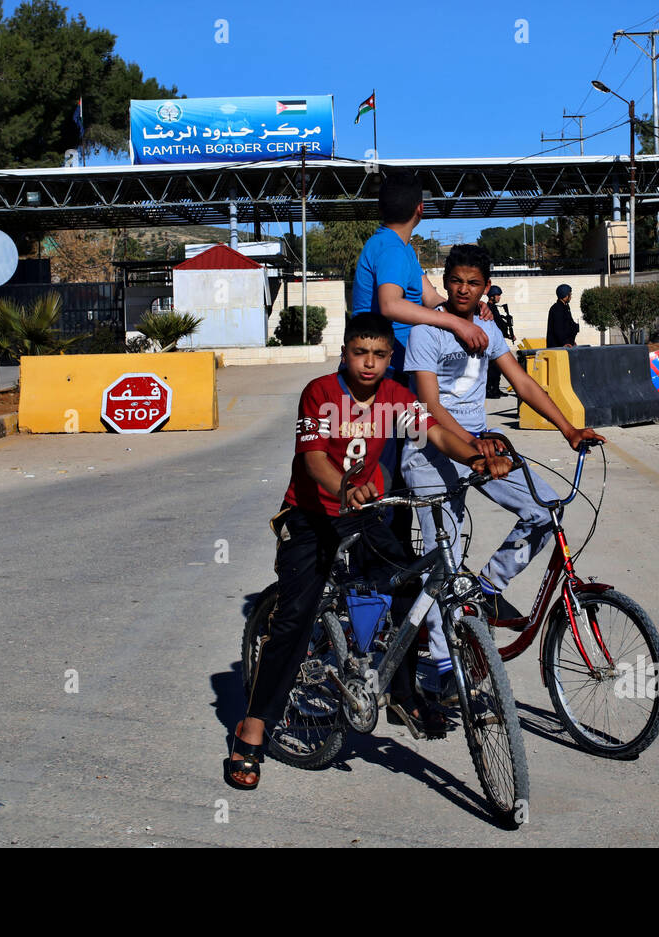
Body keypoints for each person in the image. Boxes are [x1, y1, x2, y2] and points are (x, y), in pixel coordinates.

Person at [226, 314, 510, 790]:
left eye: (379, 355)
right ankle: (252, 728)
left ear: (389, 358)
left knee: (408, 585)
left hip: (366, 508)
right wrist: (344, 487)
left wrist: (476, 456)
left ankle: (401, 695)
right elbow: (312, 457)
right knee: (295, 619)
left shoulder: (397, 396)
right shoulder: (320, 392)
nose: (369, 363)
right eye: (361, 353)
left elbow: (434, 432)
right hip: (313, 513)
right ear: (345, 353)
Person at [403, 246, 605, 699]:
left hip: (481, 440)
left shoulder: (488, 329)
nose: (462, 290)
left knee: (545, 507)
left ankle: (488, 586)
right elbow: (430, 407)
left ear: (486, 287)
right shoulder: (426, 332)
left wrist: (568, 429)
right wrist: (473, 447)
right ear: (446, 279)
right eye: (455, 280)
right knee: (445, 561)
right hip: (431, 446)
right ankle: (440, 668)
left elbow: (524, 382)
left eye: (473, 283)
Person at [351, 170, 488, 375]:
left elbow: (431, 297)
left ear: (380, 208)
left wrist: (469, 310)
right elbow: (391, 305)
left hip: (395, 365)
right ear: (420, 209)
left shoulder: (401, 248)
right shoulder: (392, 249)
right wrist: (456, 323)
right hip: (383, 373)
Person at [484, 285, 515, 398]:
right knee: (492, 369)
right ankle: (490, 390)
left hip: (498, 340)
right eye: (498, 295)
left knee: (497, 369)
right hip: (492, 343)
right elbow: (493, 325)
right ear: (492, 296)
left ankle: (496, 389)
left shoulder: (495, 308)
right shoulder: (488, 308)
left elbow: (500, 325)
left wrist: (508, 335)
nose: (499, 297)